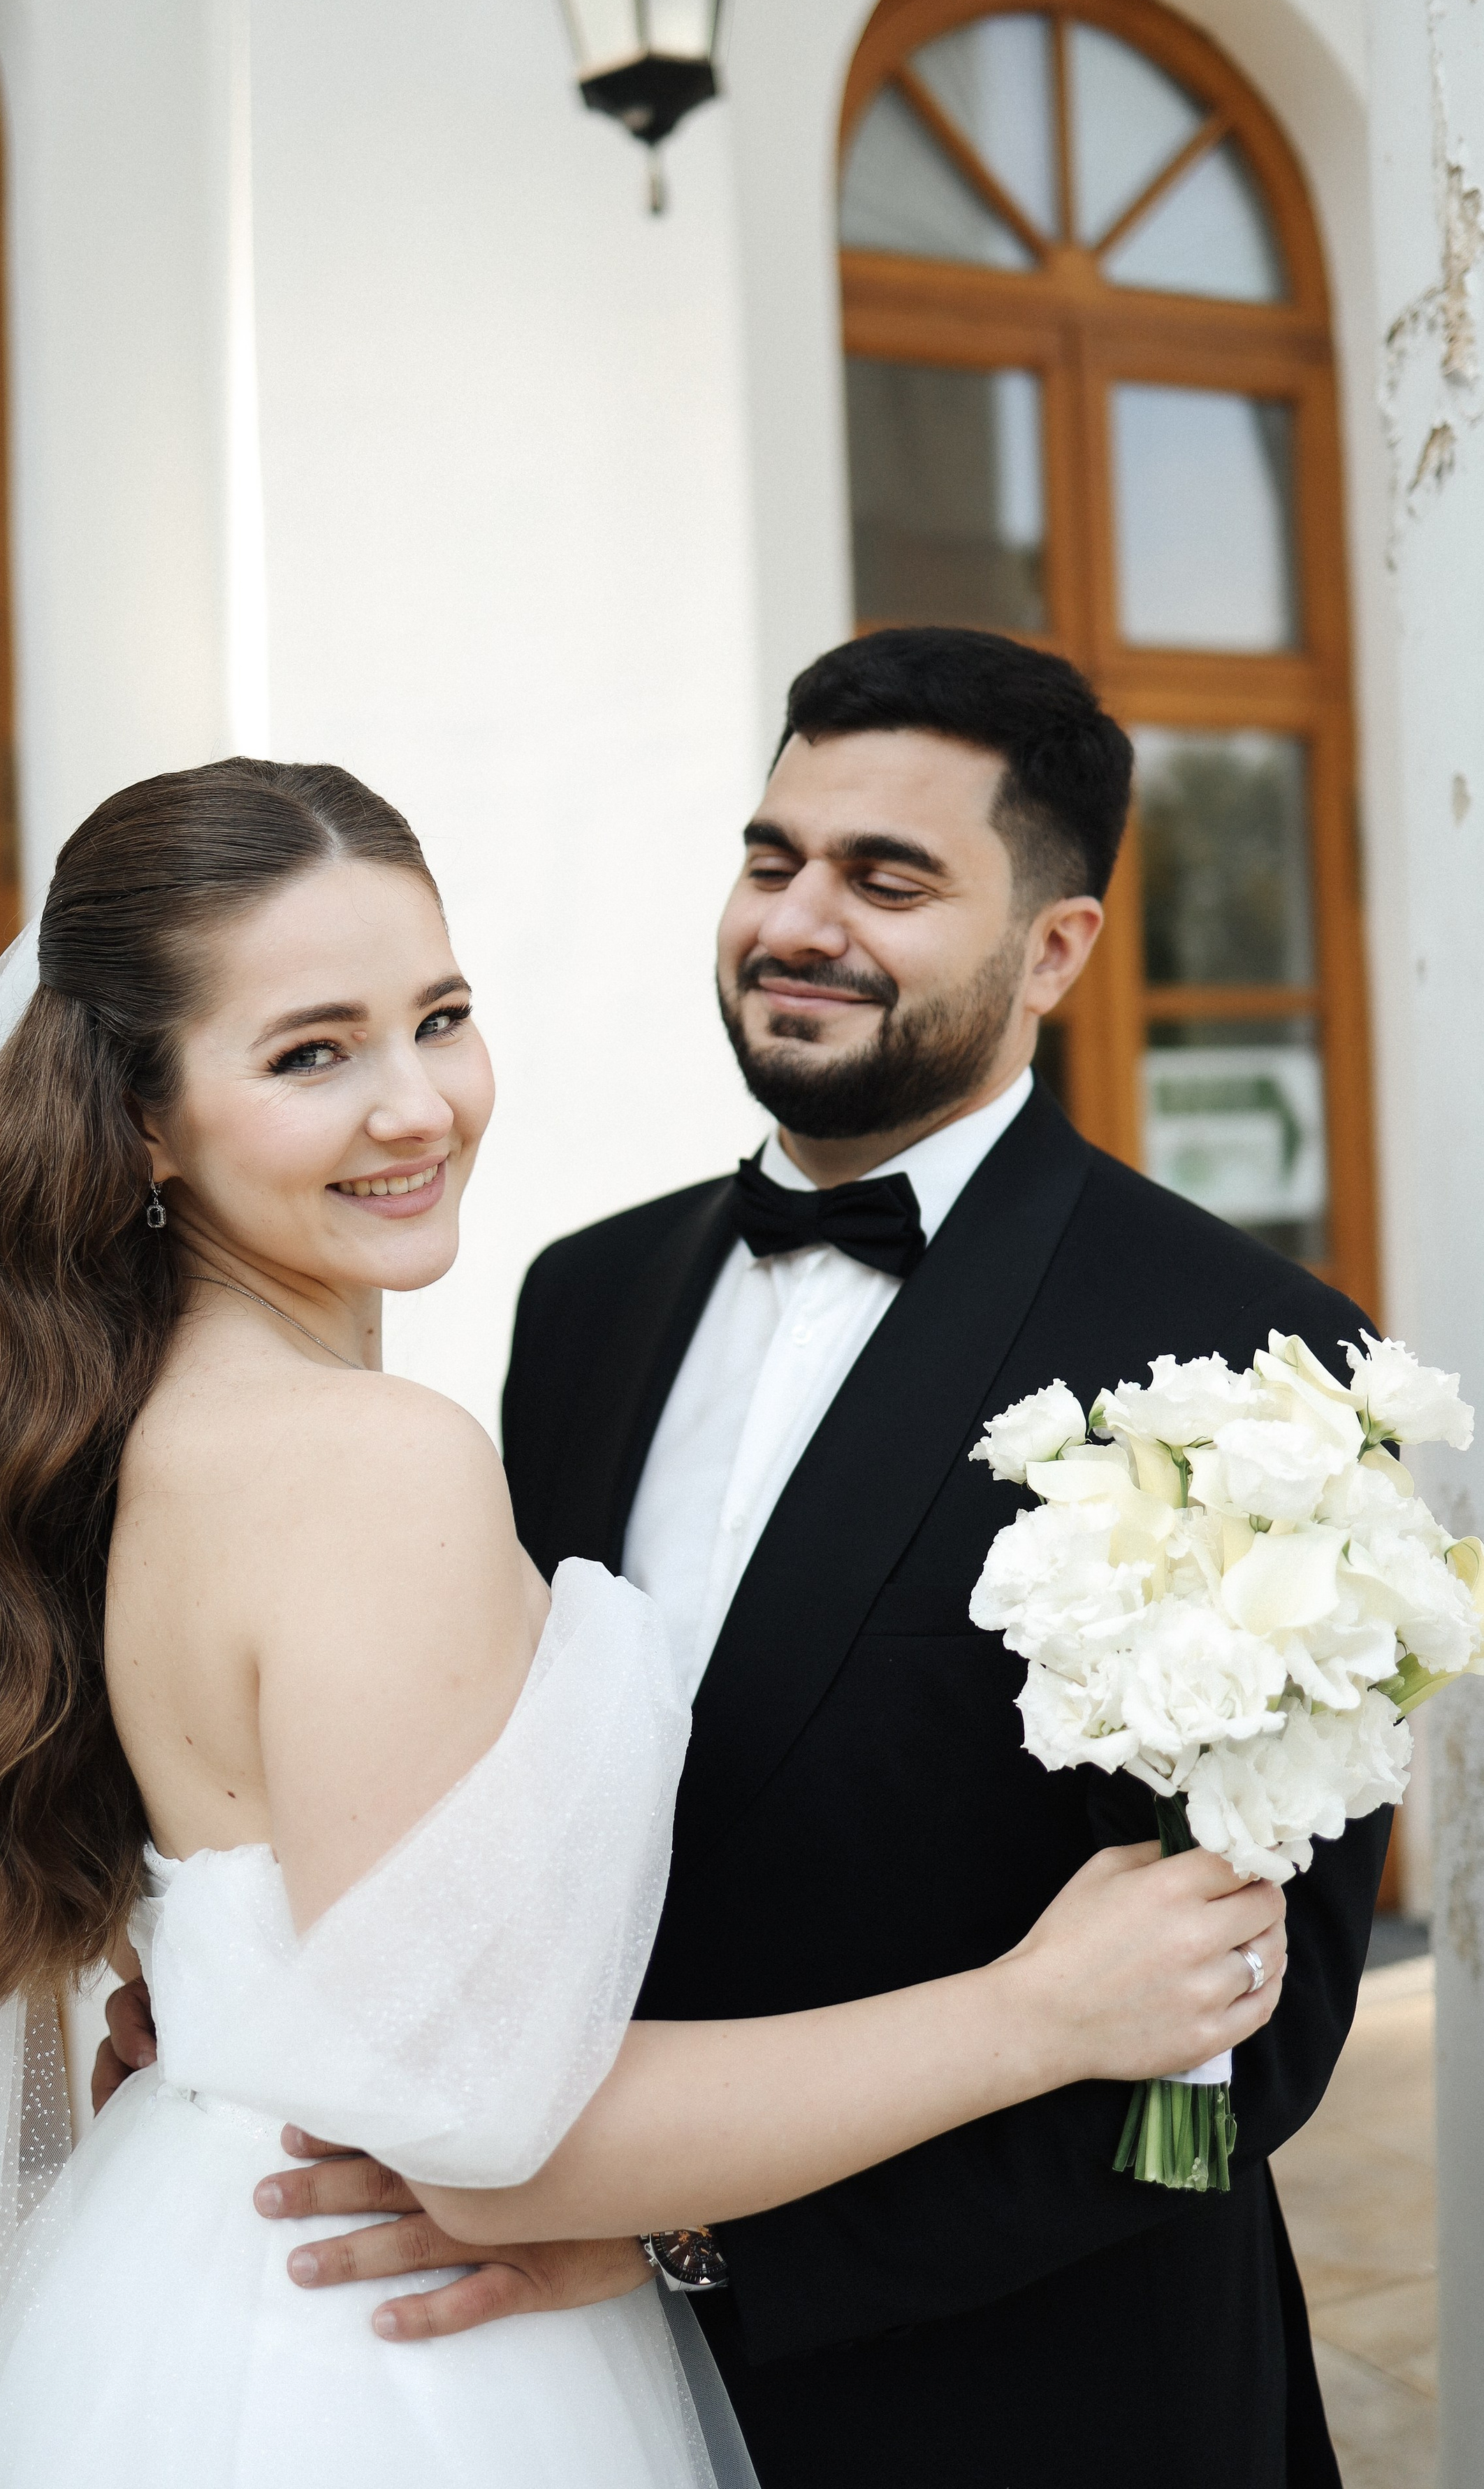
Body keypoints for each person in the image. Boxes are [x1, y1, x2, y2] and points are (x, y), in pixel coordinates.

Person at [0, 754, 1286, 2489]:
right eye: (313, 1053)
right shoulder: (371, 1464)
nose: (416, 1107)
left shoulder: (113, 1416)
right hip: (379, 2373)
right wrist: (1040, 2014)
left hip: (204, 2273)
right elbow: (476, 2143)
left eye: (437, 1017)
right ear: (145, 1117)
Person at [237, 636, 1388, 2489]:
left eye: (890, 878)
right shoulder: (583, 1298)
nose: (800, 920)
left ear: (1059, 952)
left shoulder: (1253, 1371)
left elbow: (1235, 2057)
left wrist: (704, 2247)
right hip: (585, 2379)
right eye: (774, 859)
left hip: (1055, 2405)